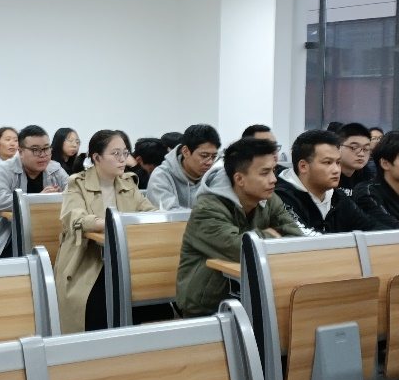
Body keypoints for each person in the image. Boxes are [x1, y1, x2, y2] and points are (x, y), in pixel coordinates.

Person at [176, 138, 305, 318]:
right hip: (208, 308)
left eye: (274, 171)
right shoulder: (207, 209)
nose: (274, 179)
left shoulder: (269, 199)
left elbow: (297, 239)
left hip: (254, 300)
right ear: (239, 178)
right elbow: (241, 249)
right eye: (265, 173)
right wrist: (270, 235)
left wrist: (263, 239)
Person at [54, 130, 156, 332]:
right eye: (115, 153)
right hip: (87, 259)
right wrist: (114, 223)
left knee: (153, 303)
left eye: (125, 153)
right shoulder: (77, 183)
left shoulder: (128, 183)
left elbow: (149, 212)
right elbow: (76, 218)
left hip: (127, 258)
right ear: (97, 157)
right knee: (96, 305)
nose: (122, 159)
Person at [0, 125, 69, 260]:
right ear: (21, 152)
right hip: (10, 239)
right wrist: (37, 200)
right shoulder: (4, 170)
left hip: (50, 235)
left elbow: (74, 194)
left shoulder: (55, 169)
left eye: (46, 148)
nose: (42, 155)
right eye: (35, 150)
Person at [276, 129, 383, 234]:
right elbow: (306, 238)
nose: (336, 170)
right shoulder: (281, 198)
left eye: (338, 162)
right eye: (327, 162)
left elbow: (371, 226)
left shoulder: (337, 196)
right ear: (303, 166)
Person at [146, 124, 221, 210]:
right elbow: (169, 213)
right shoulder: (161, 176)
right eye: (204, 156)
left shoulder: (215, 175)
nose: (210, 162)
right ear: (185, 151)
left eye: (214, 157)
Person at [336, 123, 375, 196]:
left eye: (366, 149)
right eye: (354, 148)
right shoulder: (330, 174)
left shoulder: (366, 175)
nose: (361, 154)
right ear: (338, 147)